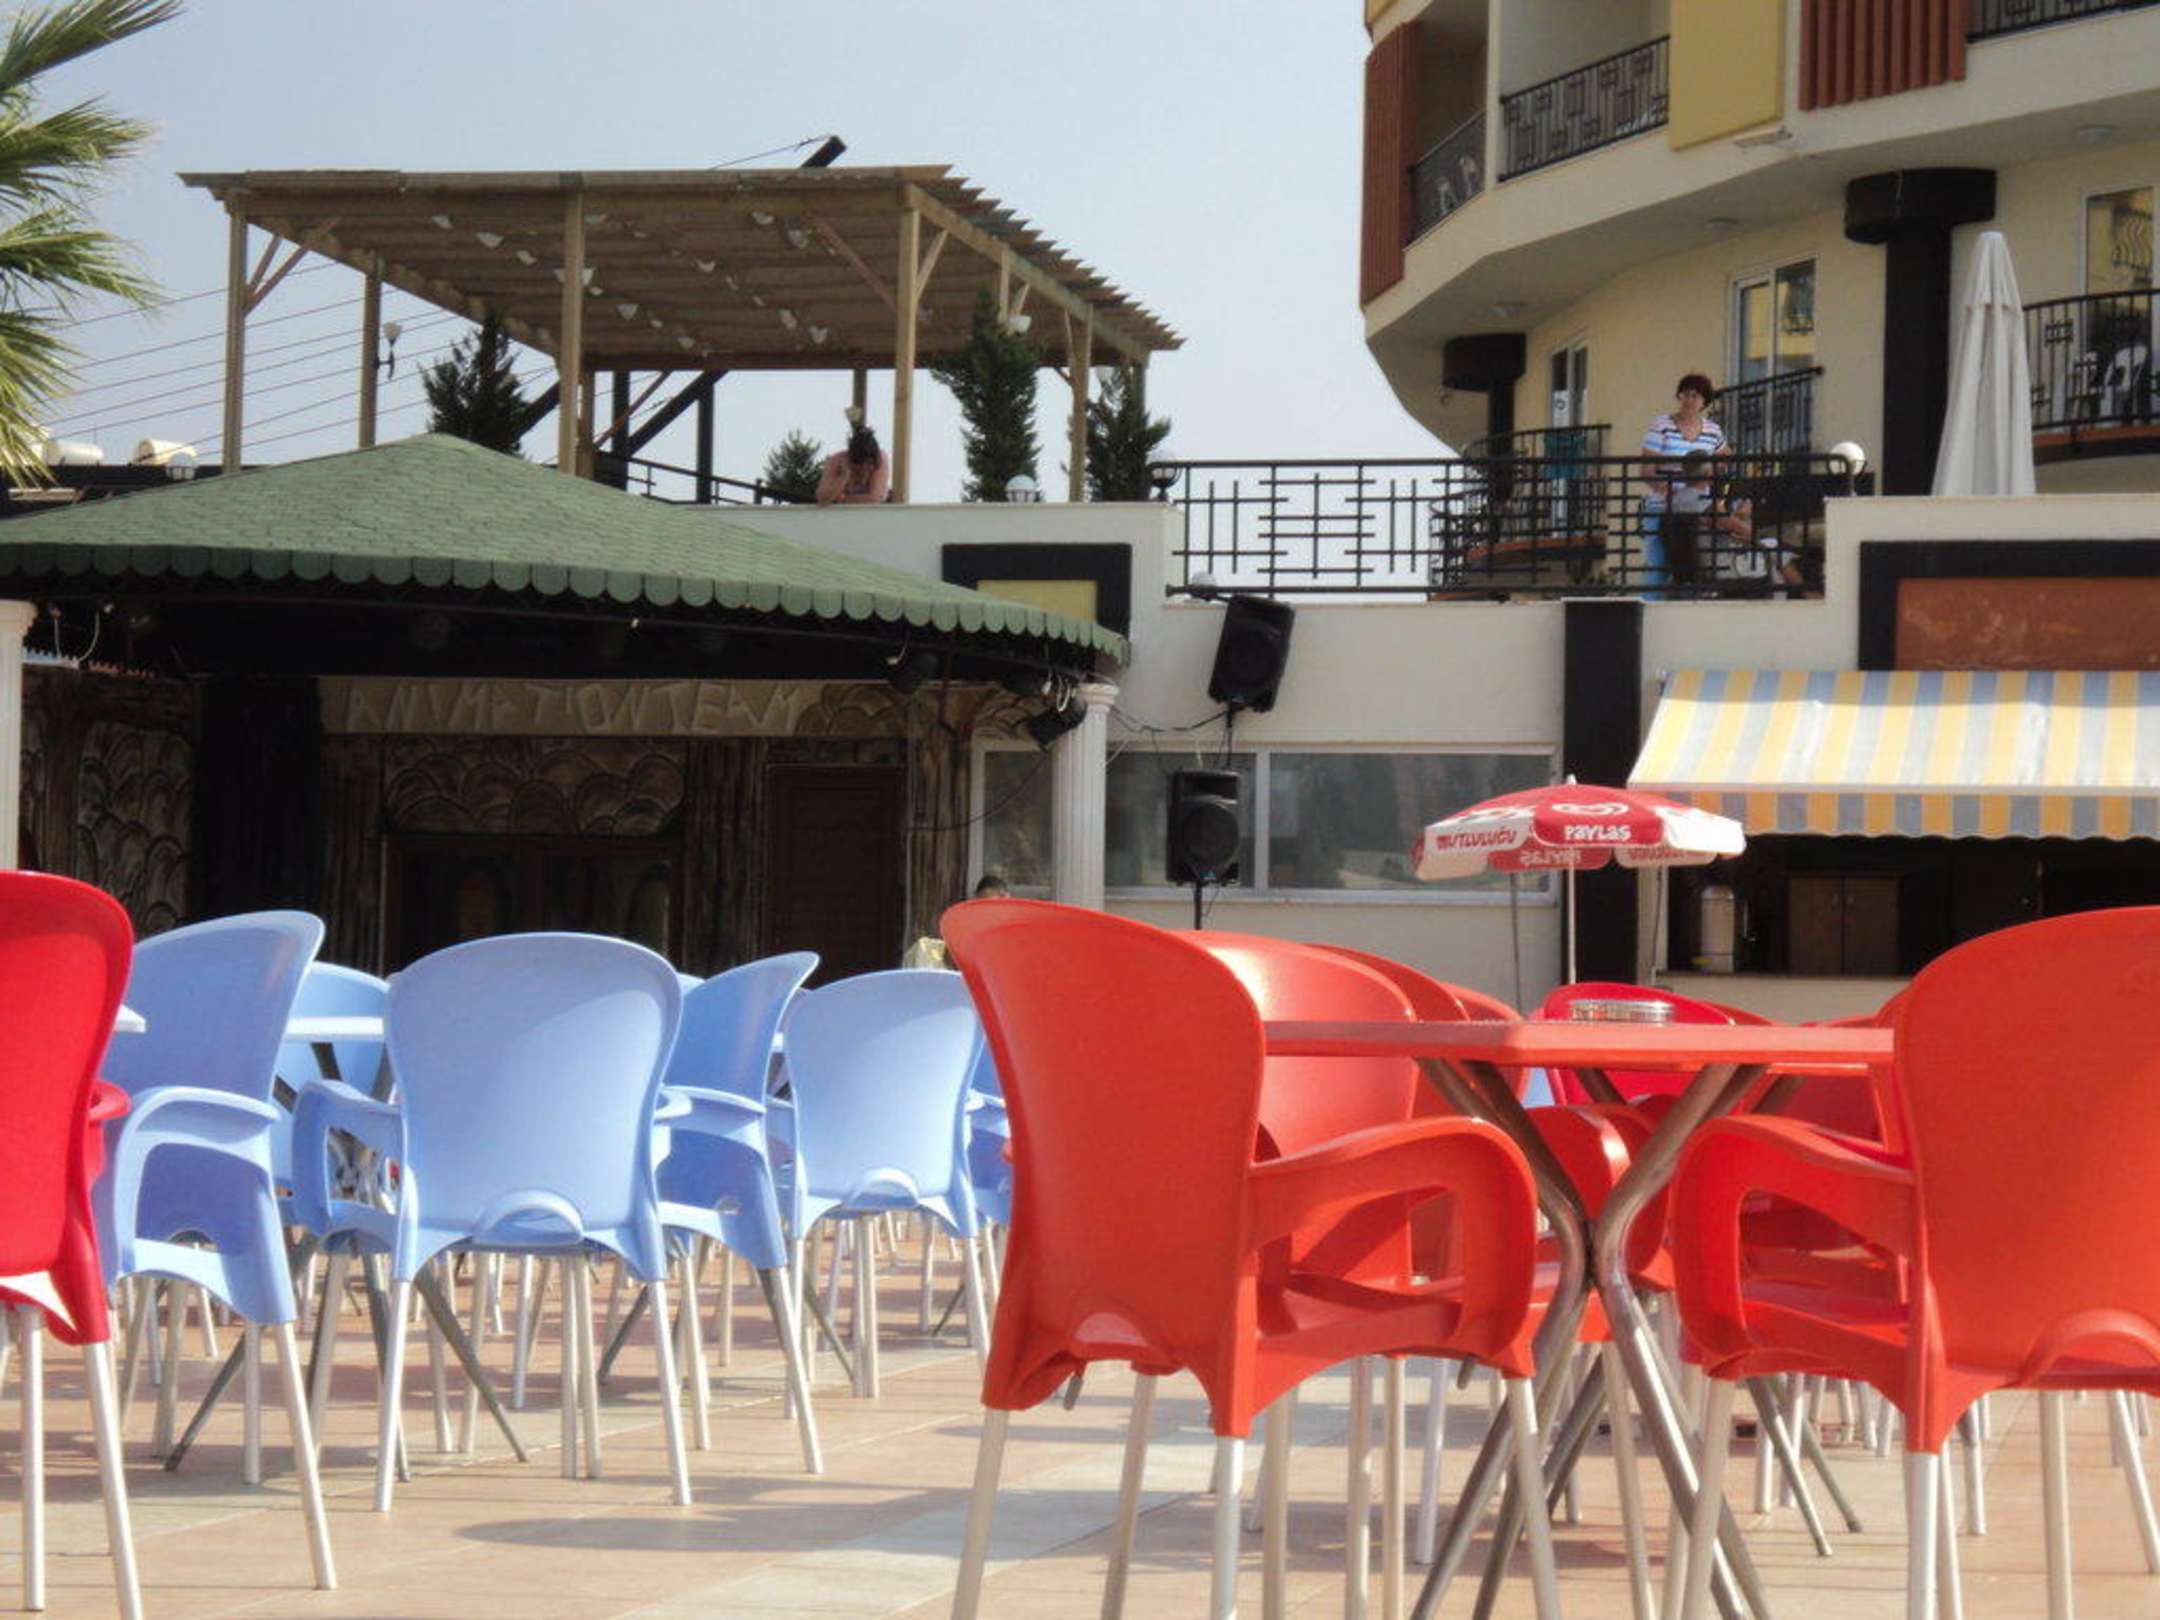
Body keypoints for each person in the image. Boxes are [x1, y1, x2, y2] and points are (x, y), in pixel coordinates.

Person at [1639, 373, 1725, 598]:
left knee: (1692, 567)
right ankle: (1647, 611)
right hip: (1662, 507)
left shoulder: (1712, 430)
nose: (1688, 400)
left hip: (1697, 508)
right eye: (1684, 395)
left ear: (1704, 401)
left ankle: (1689, 614)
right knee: (1658, 566)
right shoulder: (1662, 425)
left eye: (1695, 396)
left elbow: (1725, 458)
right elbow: (1646, 471)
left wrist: (1710, 478)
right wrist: (1670, 493)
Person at [816, 407, 890, 505]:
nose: (866, 470)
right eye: (859, 468)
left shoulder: (880, 460)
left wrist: (841, 499)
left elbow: (875, 498)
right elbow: (822, 499)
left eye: (870, 466)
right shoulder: (835, 461)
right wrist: (843, 477)